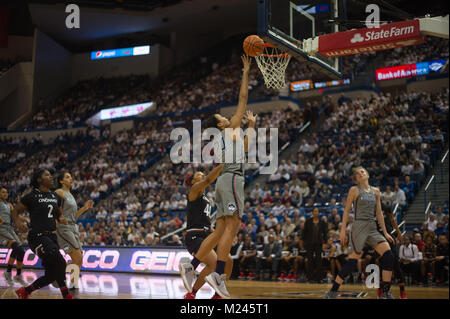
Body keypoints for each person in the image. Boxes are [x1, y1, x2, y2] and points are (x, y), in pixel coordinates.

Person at [199, 55, 253, 299]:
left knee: (223, 229)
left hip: (224, 182)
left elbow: (245, 147)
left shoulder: (227, 137)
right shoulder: (230, 127)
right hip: (232, 179)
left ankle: (208, 273)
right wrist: (245, 72)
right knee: (232, 228)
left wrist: (251, 125)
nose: (227, 117)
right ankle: (218, 275)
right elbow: (243, 98)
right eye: (223, 117)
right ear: (221, 124)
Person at [324, 166, 395, 299]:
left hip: (372, 227)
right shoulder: (354, 190)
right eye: (357, 173)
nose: (360, 173)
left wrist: (385, 233)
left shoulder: (376, 191)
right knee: (352, 262)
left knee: (389, 256)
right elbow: (346, 211)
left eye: (362, 171)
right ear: (356, 179)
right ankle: (332, 292)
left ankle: (385, 292)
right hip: (359, 227)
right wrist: (343, 231)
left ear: (367, 174)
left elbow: (379, 213)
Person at [11, 169, 76, 299]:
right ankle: (66, 294)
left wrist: (61, 218)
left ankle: (25, 291)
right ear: (39, 180)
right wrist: (18, 223)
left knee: (51, 274)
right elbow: (15, 211)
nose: (51, 177)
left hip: (52, 237)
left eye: (51, 175)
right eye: (47, 175)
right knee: (60, 261)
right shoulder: (31, 196)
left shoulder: (54, 196)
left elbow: (58, 213)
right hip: (37, 237)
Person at [178, 164, 233, 299]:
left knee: (228, 260)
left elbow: (206, 223)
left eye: (203, 174)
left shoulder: (206, 198)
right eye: (199, 175)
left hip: (206, 235)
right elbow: (208, 180)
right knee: (214, 264)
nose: (202, 176)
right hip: (194, 236)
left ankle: (216, 294)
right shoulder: (193, 191)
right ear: (192, 181)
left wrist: (220, 235)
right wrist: (222, 165)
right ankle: (192, 292)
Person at [55, 171, 94, 296]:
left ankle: (71, 286)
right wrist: (56, 222)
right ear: (61, 181)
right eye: (67, 177)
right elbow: (52, 211)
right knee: (77, 257)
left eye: (71, 177)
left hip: (72, 227)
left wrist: (85, 208)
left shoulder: (71, 195)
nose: (70, 178)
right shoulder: (59, 192)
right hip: (64, 228)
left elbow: (74, 217)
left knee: (79, 259)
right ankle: (59, 276)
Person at [376, 204, 407, 299]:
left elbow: (392, 220)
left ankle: (402, 291)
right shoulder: (370, 210)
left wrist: (399, 233)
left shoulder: (385, 208)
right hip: (378, 241)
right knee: (382, 266)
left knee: (396, 266)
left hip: (390, 239)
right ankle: (384, 291)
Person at [0, 187, 27, 285]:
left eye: (6, 192)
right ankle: (8, 273)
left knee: (21, 251)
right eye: (3, 192)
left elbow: (15, 216)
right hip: (2, 229)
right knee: (16, 248)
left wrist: (25, 219)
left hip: (9, 229)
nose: (5, 193)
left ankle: (18, 275)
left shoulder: (9, 205)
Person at [302, 207, 328, 282]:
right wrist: (304, 242)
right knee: (310, 261)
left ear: (318, 213)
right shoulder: (308, 221)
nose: (316, 213)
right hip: (310, 244)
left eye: (317, 211)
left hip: (319, 244)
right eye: (314, 211)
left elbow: (325, 234)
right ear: (312, 213)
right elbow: (304, 233)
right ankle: (310, 277)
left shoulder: (322, 222)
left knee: (319, 261)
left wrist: (325, 243)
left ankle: (318, 278)